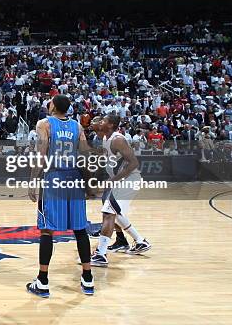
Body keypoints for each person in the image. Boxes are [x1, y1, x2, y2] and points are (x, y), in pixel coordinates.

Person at [27, 94, 94, 297]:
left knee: (47, 230)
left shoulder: (44, 124)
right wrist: (89, 182)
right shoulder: (77, 126)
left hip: (54, 177)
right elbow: (85, 155)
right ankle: (88, 278)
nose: (47, 104)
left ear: (54, 106)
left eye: (49, 101)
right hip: (74, 178)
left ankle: (43, 281)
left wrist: (32, 180)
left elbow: (42, 153)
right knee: (80, 229)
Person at [91, 115, 152, 267]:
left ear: (111, 125)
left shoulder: (118, 139)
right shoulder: (106, 137)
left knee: (108, 213)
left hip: (129, 180)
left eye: (103, 121)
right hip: (122, 182)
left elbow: (134, 163)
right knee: (116, 214)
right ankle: (140, 241)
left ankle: (101, 254)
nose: (100, 123)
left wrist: (114, 180)